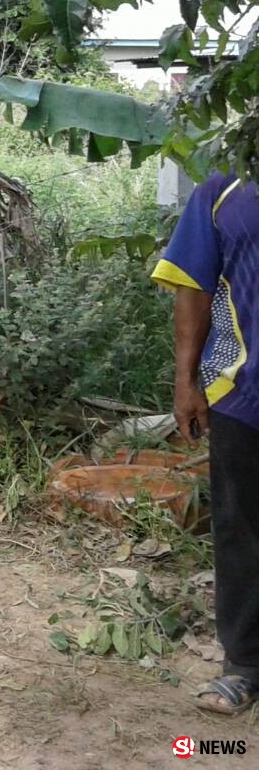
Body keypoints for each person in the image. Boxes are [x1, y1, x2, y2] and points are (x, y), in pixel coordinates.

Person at [153, 170, 259, 716]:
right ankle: (244, 664)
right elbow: (193, 283)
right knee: (241, 527)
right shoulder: (225, 187)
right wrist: (185, 381)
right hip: (244, 390)